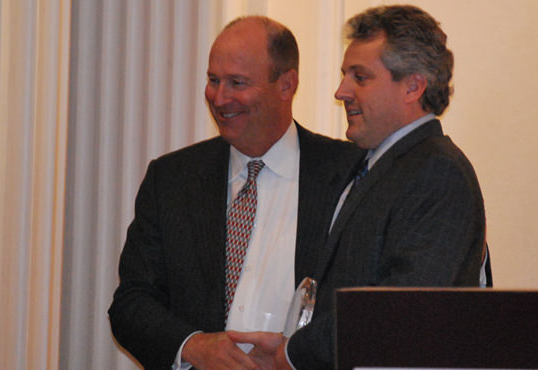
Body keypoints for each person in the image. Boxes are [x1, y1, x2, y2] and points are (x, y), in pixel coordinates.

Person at [232, 5, 488, 369]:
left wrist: (292, 353)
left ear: (413, 87)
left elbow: (400, 310)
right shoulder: (369, 164)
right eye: (343, 75)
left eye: (360, 77)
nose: (341, 91)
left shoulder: (438, 171)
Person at [108, 16, 363, 370]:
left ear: (287, 85)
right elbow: (131, 304)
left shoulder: (349, 173)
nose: (219, 97)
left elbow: (365, 307)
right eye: (213, 80)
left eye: (237, 83)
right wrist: (193, 347)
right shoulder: (172, 179)